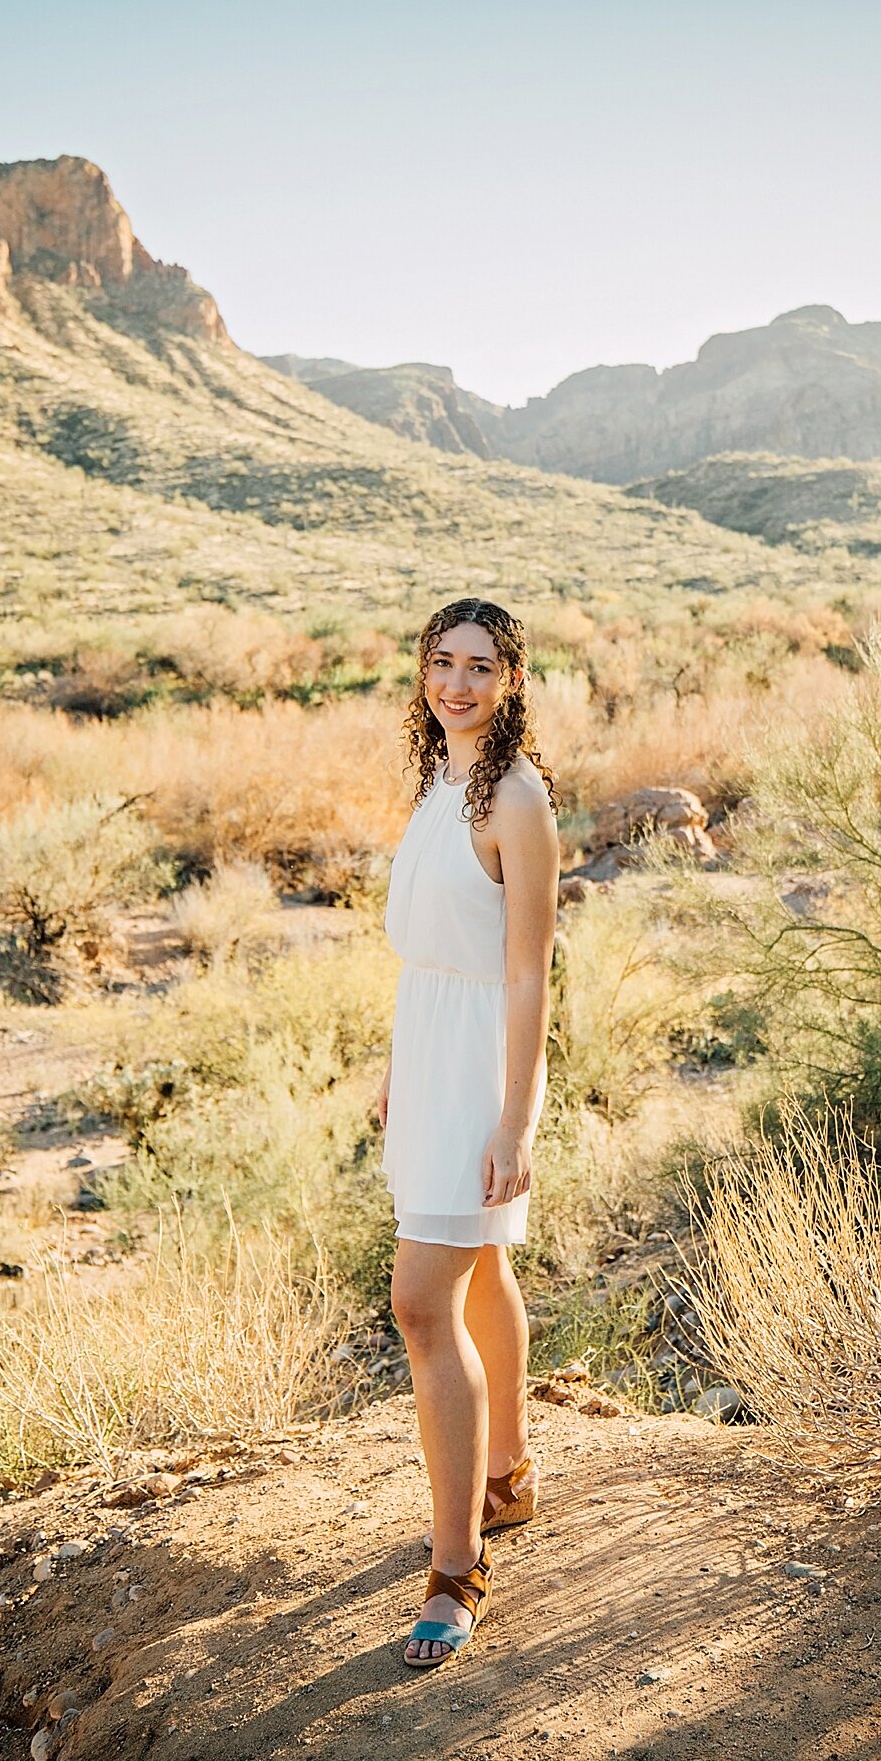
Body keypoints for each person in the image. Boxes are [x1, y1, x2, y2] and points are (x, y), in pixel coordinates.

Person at [376, 597, 560, 1668]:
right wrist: (398, 1062)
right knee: (482, 1270)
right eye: (440, 662)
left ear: (512, 680)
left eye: (479, 666)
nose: (456, 682)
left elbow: (530, 967)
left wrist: (514, 1116)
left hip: (485, 1064)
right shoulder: (439, 780)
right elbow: (436, 943)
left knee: (419, 1299)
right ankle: (510, 1473)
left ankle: (458, 1564)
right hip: (429, 1049)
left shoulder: (518, 799)